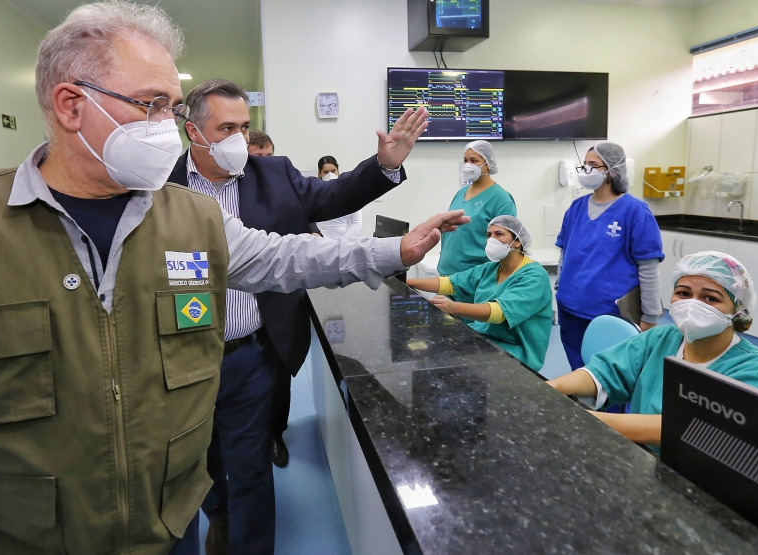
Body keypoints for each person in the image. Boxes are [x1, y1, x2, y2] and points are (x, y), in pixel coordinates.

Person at [0, 3, 465, 554]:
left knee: (244, 471)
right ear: (71, 104)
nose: (167, 123)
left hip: (166, 518)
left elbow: (283, 258)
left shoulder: (188, 215)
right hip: (26, 532)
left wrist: (394, 250)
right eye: (151, 104)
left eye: (171, 107)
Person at [168, 80, 428, 554]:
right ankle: (218, 515)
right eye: (226, 128)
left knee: (250, 467)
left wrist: (385, 166)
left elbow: (333, 198)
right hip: (178, 361)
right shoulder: (162, 183)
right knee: (196, 464)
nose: (238, 141)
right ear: (192, 131)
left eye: (244, 128)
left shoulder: (273, 174)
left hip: (248, 352)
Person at [547, 251, 758, 449]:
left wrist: (588, 420)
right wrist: (547, 390)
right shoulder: (661, 340)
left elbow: (698, 429)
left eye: (710, 298)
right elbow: (604, 372)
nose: (692, 304)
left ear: (738, 310)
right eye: (683, 293)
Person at [554, 142, 664, 370]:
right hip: (571, 307)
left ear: (612, 170)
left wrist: (651, 316)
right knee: (578, 370)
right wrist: (560, 286)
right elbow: (565, 254)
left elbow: (648, 267)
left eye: (593, 165)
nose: (586, 170)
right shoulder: (576, 208)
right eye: (584, 165)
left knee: (610, 376)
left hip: (609, 313)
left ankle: (605, 409)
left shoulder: (634, 211)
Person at [407, 216, 553, 370]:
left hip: (515, 350)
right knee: (429, 350)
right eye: (489, 235)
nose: (492, 240)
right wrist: (407, 281)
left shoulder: (534, 277)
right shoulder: (491, 268)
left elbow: (499, 312)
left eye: (499, 234)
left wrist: (452, 307)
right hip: (484, 338)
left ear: (517, 241)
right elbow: (449, 283)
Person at [437, 139, 516, 275]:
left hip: (475, 278)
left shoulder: (501, 199)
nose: (468, 165)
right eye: (466, 160)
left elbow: (506, 245)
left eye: (474, 161)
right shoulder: (461, 193)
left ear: (488, 164)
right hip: (447, 274)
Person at [315, 155, 362, 239]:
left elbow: (356, 223)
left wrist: (343, 242)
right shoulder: (314, 192)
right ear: (320, 173)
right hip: (320, 239)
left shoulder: (350, 191)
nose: (330, 174)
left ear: (338, 170)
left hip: (343, 239)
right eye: (326, 172)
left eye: (333, 171)